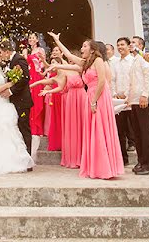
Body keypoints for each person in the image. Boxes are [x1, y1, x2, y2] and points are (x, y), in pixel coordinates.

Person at [49, 32, 122, 179]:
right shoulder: (85, 64)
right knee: (92, 130)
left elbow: (102, 81)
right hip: (91, 97)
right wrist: (57, 41)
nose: (82, 48)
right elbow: (69, 56)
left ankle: (104, 167)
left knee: (99, 129)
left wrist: (94, 100)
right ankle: (95, 166)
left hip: (100, 96)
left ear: (92, 49)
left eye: (85, 46)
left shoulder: (98, 61)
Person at [0, 40, 33, 159]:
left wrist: (11, 91)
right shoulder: (9, 61)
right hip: (14, 101)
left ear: (7, 52)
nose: (0, 55)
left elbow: (25, 78)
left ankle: (27, 158)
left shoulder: (19, 59)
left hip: (22, 101)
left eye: (1, 52)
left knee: (24, 128)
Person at [127, 40, 149, 175]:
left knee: (145, 134)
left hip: (143, 100)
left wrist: (145, 95)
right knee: (138, 134)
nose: (131, 44)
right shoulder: (134, 60)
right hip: (134, 100)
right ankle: (141, 162)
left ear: (141, 46)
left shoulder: (144, 58)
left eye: (134, 42)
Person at [110, 37, 134, 166]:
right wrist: (114, 94)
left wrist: (127, 95)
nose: (120, 47)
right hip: (118, 102)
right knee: (119, 132)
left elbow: (134, 81)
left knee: (134, 131)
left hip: (131, 100)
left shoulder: (133, 61)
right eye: (118, 45)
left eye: (122, 45)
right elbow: (112, 80)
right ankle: (122, 159)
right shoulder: (116, 63)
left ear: (129, 46)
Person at [25, 33, 46, 138]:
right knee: (30, 100)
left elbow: (43, 64)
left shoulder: (40, 50)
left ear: (37, 39)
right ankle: (31, 127)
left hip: (37, 76)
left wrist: (37, 65)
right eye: (30, 38)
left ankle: (38, 128)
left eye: (33, 38)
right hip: (30, 76)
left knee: (37, 101)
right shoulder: (28, 51)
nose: (31, 39)